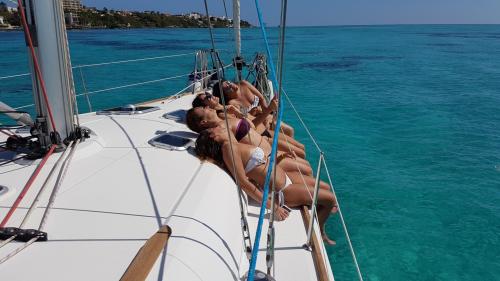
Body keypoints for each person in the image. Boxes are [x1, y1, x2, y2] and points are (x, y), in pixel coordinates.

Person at [195, 128, 337, 244]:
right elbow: (243, 182)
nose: (219, 126)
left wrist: (280, 157)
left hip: (286, 177)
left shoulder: (232, 144)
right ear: (213, 136)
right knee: (329, 199)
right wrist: (273, 207)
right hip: (283, 191)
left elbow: (259, 163)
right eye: (215, 128)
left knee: (325, 187)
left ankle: (319, 214)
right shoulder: (228, 148)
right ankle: (320, 229)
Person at [186, 105, 311, 175]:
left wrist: (237, 112)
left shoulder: (224, 119)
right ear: (203, 122)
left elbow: (252, 126)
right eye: (204, 109)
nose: (207, 107)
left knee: (306, 165)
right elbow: (233, 152)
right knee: (307, 169)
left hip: (272, 152)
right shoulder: (222, 130)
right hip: (268, 160)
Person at [212, 79, 295, 137]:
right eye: (228, 88)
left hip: (266, 115)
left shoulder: (244, 84)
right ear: (225, 95)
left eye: (229, 82)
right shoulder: (233, 104)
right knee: (285, 132)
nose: (231, 86)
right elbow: (246, 118)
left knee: (290, 130)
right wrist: (257, 111)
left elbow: (261, 98)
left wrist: (268, 108)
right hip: (259, 124)